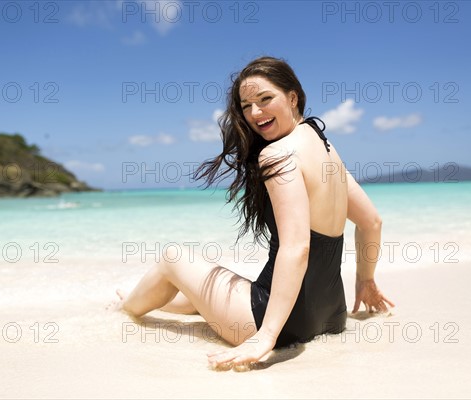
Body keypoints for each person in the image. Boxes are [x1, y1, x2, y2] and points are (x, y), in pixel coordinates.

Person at [117, 56, 394, 369]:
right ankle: (138, 297)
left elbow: (297, 247)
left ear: (293, 97)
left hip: (273, 322)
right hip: (331, 314)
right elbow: (372, 221)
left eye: (265, 99)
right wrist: (365, 281)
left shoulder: (278, 154)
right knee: (197, 298)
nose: (255, 113)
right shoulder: (325, 145)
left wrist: (266, 336)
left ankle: (123, 309)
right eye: (246, 105)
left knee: (171, 257)